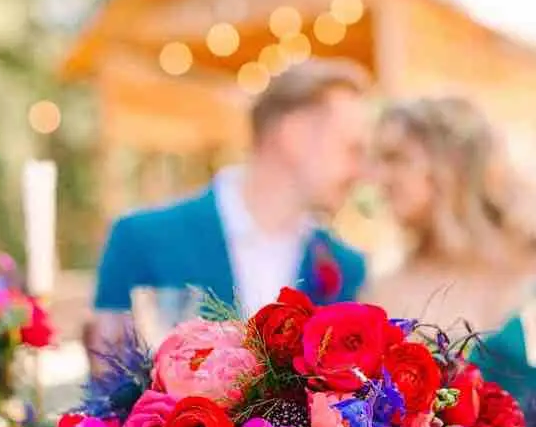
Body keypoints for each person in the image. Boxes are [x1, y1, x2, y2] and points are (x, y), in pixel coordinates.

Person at [93, 59, 370, 346]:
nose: (362, 171)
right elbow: (109, 380)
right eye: (352, 149)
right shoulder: (141, 240)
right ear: (294, 134)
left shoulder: (347, 269)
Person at [366, 95, 535, 332]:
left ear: (450, 167)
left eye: (397, 159)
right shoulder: (384, 288)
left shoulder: (526, 268)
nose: (378, 178)